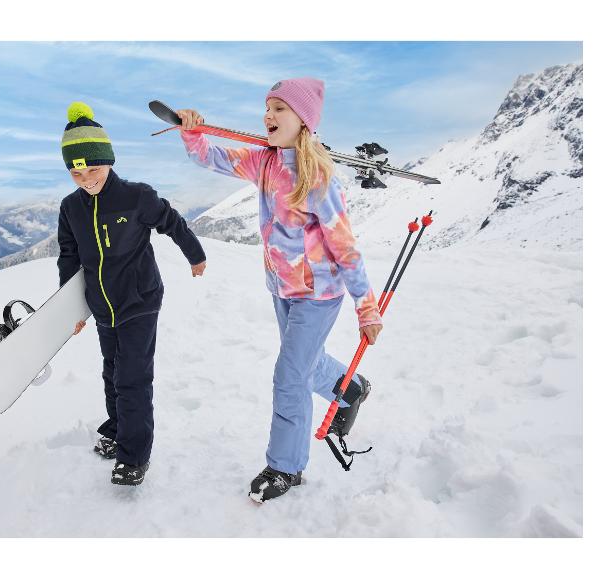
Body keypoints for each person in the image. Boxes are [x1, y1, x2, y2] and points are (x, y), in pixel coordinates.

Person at [175, 78, 382, 502]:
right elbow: (212, 156)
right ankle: (351, 387)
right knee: (305, 362)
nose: (268, 116)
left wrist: (367, 307)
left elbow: (345, 246)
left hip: (319, 293)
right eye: (266, 108)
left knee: (290, 376)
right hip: (281, 287)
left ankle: (285, 467)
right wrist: (192, 131)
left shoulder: (320, 178)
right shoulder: (263, 163)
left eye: (279, 109)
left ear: (303, 120)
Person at [57, 101, 207, 486]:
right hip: (103, 307)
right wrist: (69, 309)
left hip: (140, 300)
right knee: (112, 373)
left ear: (108, 160)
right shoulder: (71, 208)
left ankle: (134, 455)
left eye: (92, 168)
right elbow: (69, 258)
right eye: (76, 171)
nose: (85, 177)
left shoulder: (136, 197)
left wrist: (195, 255)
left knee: (132, 379)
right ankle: (119, 431)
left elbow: (171, 221)